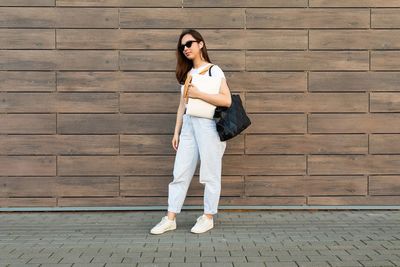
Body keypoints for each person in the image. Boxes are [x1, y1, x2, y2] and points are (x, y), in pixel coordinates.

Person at [150, 29, 232, 235]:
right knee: (180, 172)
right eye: (182, 46)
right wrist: (176, 131)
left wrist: (199, 94)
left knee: (210, 173)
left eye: (189, 44)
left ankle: (208, 217)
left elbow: (227, 100)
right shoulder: (188, 74)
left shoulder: (214, 70)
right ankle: (170, 218)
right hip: (189, 126)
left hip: (208, 126)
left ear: (201, 44)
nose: (185, 49)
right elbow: (182, 106)